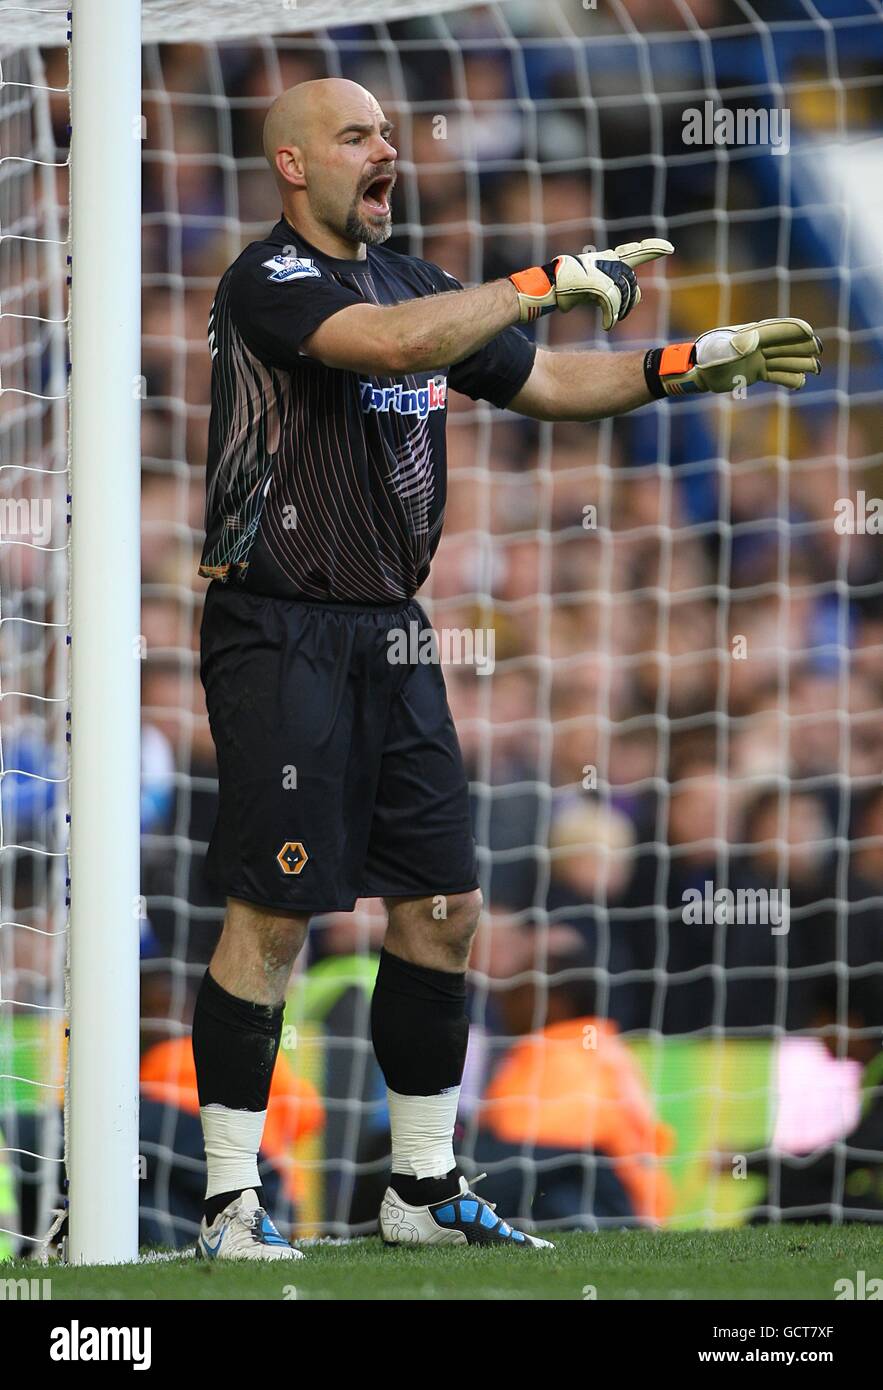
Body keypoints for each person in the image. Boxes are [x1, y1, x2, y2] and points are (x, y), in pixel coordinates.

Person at [193, 75, 822, 1259]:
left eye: (389, 132)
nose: (388, 149)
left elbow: (538, 381)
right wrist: (535, 279)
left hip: (393, 627)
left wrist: (686, 361)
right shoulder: (268, 279)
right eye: (358, 135)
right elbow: (386, 346)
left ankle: (419, 1189)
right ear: (292, 164)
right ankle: (231, 1202)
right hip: (279, 631)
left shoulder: (423, 279)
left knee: (444, 905)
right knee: (274, 917)